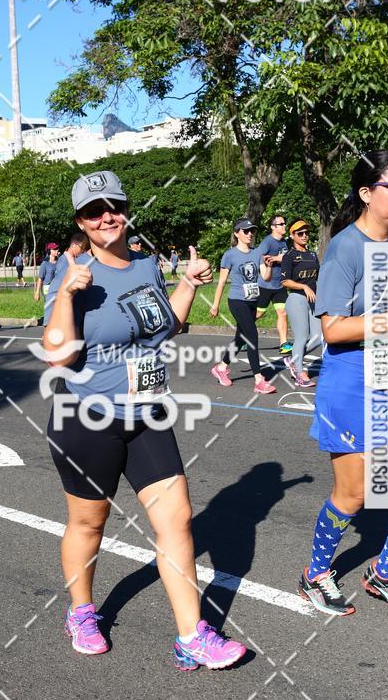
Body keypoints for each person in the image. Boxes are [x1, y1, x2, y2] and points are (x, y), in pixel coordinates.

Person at [43, 169, 246, 671]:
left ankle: (191, 637)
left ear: (126, 211)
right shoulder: (76, 276)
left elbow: (163, 327)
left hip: (149, 414)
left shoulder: (147, 265)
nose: (106, 216)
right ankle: (81, 612)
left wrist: (187, 284)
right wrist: (66, 294)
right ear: (81, 222)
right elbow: (57, 356)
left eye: (113, 206)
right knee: (89, 523)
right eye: (93, 211)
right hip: (88, 418)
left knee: (176, 520)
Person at [299, 149, 388, 619]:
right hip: (351, 386)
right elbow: (333, 329)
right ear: (366, 193)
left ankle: (386, 571)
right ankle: (316, 574)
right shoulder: (345, 247)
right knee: (353, 496)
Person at [209, 219, 277, 394]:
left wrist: (269, 267)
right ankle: (259, 380)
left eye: (252, 231)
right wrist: (215, 305)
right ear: (237, 233)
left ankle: (221, 367)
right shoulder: (229, 255)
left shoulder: (257, 253)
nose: (250, 234)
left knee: (241, 338)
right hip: (237, 301)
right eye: (246, 231)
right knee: (252, 335)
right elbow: (221, 282)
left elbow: (265, 277)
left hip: (253, 300)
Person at [280, 221, 321, 388]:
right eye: (300, 233)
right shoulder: (289, 256)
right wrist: (303, 286)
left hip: (314, 299)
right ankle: (299, 372)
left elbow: (318, 277)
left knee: (318, 337)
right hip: (296, 298)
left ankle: (293, 358)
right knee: (302, 337)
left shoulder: (312, 255)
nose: (304, 236)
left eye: (306, 233)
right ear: (292, 236)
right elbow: (285, 281)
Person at [255, 215, 292, 354]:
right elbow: (259, 257)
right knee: (259, 313)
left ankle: (284, 344)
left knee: (283, 313)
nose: (284, 225)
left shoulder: (284, 242)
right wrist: (276, 259)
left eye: (284, 223)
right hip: (265, 285)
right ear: (273, 227)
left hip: (280, 286)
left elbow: (286, 258)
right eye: (281, 224)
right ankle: (242, 333)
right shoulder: (267, 242)